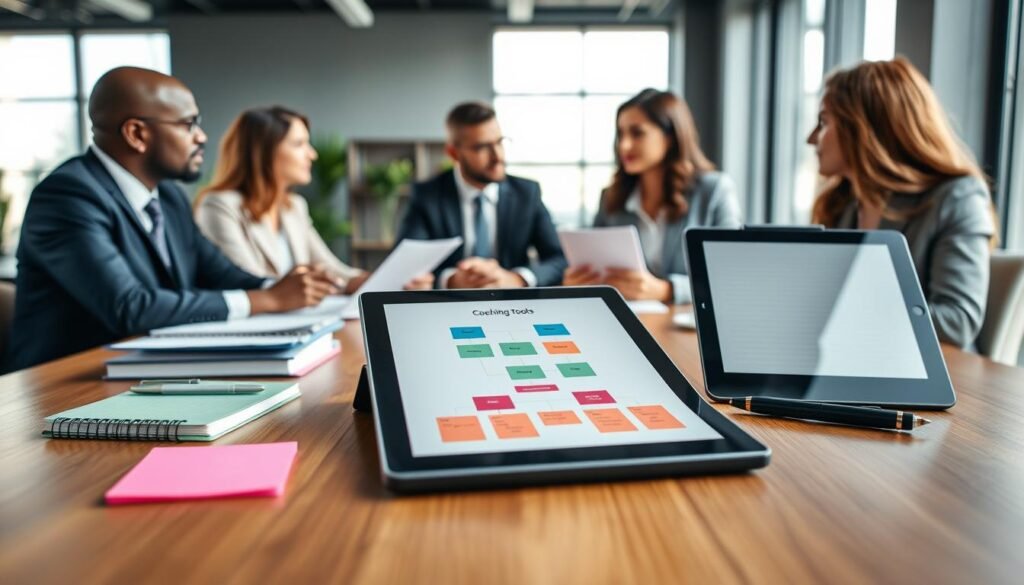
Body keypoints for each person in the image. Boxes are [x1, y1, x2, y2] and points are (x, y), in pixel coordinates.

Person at [4, 67, 339, 372]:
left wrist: (285, 289)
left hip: (146, 368)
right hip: (66, 383)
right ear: (136, 134)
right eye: (188, 124)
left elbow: (220, 273)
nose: (202, 137)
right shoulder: (68, 196)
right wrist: (267, 299)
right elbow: (129, 307)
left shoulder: (169, 197)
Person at [807, 58, 996, 349]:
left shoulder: (957, 197)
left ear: (864, 128)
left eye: (823, 122)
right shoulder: (843, 204)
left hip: (936, 380)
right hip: (859, 360)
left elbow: (957, 322)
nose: (812, 138)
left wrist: (849, 309)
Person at [195, 106, 432, 292]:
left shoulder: (293, 208)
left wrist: (392, 282)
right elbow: (249, 284)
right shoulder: (219, 206)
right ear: (264, 153)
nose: (312, 154)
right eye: (299, 144)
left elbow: (332, 270)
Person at [563, 89, 742, 304]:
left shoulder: (714, 191)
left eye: (637, 133)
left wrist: (666, 290)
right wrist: (579, 279)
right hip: (629, 320)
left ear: (670, 137)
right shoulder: (612, 197)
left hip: (685, 326)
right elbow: (596, 268)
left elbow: (732, 276)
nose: (624, 145)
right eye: (621, 134)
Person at [395, 101, 566, 288]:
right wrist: (452, 280)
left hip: (513, 304)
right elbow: (405, 266)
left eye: (500, 142)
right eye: (481, 147)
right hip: (450, 305)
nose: (497, 156)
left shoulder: (527, 193)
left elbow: (558, 259)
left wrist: (517, 279)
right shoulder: (427, 196)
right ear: (454, 153)